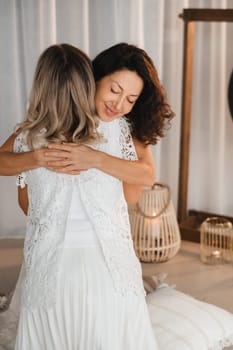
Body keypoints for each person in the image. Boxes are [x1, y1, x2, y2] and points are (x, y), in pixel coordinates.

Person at [0, 43, 174, 350]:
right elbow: (22, 194)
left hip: (106, 246)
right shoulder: (36, 131)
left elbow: (146, 175)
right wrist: (37, 160)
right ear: (93, 79)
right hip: (54, 248)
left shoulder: (119, 128)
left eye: (131, 99)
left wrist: (94, 159)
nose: (119, 104)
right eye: (115, 90)